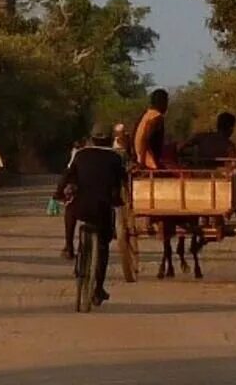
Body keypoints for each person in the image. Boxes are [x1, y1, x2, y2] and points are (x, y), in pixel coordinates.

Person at [61, 127, 129, 308]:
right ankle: (98, 287)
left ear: (92, 140)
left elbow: (68, 175)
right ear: (109, 141)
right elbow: (123, 181)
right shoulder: (115, 157)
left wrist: (58, 193)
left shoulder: (81, 155)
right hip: (102, 209)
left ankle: (68, 245)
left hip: (81, 208)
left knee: (70, 207)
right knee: (104, 247)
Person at [132, 89, 170, 172]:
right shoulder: (156, 118)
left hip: (141, 158)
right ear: (163, 102)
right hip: (148, 162)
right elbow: (144, 139)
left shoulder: (147, 114)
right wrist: (142, 162)